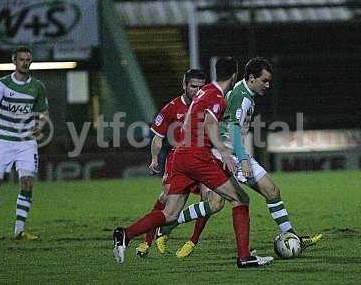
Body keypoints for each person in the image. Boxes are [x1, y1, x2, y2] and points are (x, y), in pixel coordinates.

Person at [113, 57, 274, 268]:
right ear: (235, 75)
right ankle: (244, 258)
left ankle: (125, 234)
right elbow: (209, 125)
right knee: (241, 199)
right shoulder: (218, 98)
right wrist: (225, 153)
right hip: (198, 156)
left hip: (180, 154)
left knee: (169, 214)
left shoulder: (204, 91)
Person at [156, 57, 322, 250]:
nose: (267, 85)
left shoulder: (245, 93)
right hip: (225, 154)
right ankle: (169, 225)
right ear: (252, 78)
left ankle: (291, 236)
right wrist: (243, 160)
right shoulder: (241, 96)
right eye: (264, 80)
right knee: (218, 203)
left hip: (234, 152)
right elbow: (234, 127)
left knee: (269, 192)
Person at [136, 69, 223, 258]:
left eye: (201, 87)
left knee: (209, 198)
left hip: (203, 158)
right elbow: (157, 138)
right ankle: (147, 241)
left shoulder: (209, 105)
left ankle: (193, 241)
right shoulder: (172, 108)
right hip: (179, 160)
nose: (197, 90)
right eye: (193, 86)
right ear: (184, 85)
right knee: (166, 197)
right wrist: (153, 159)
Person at [0, 46, 49, 241]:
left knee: (26, 183)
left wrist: (40, 125)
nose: (26, 62)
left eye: (28, 59)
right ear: (14, 61)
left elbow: (43, 113)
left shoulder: (37, 87)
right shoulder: (2, 84)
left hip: (26, 143)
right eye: (22, 59)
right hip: (3, 142)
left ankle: (19, 230)